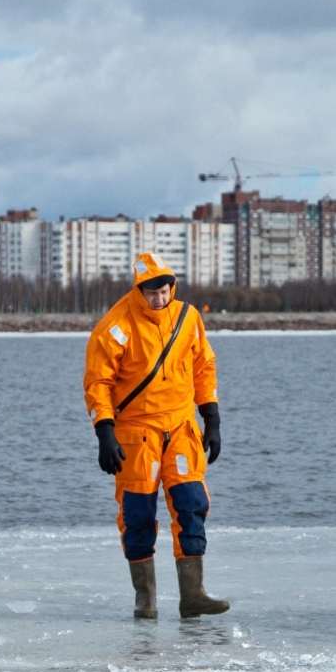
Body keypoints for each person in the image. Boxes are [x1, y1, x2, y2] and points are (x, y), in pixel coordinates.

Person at [83, 252, 230, 619]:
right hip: (136, 434)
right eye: (151, 292)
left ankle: (192, 595)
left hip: (181, 428)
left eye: (164, 290)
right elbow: (97, 383)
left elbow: (203, 366)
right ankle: (145, 600)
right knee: (138, 515)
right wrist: (104, 431)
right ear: (139, 290)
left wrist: (211, 418)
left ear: (172, 287)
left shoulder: (188, 317)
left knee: (192, 504)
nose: (159, 298)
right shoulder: (115, 326)